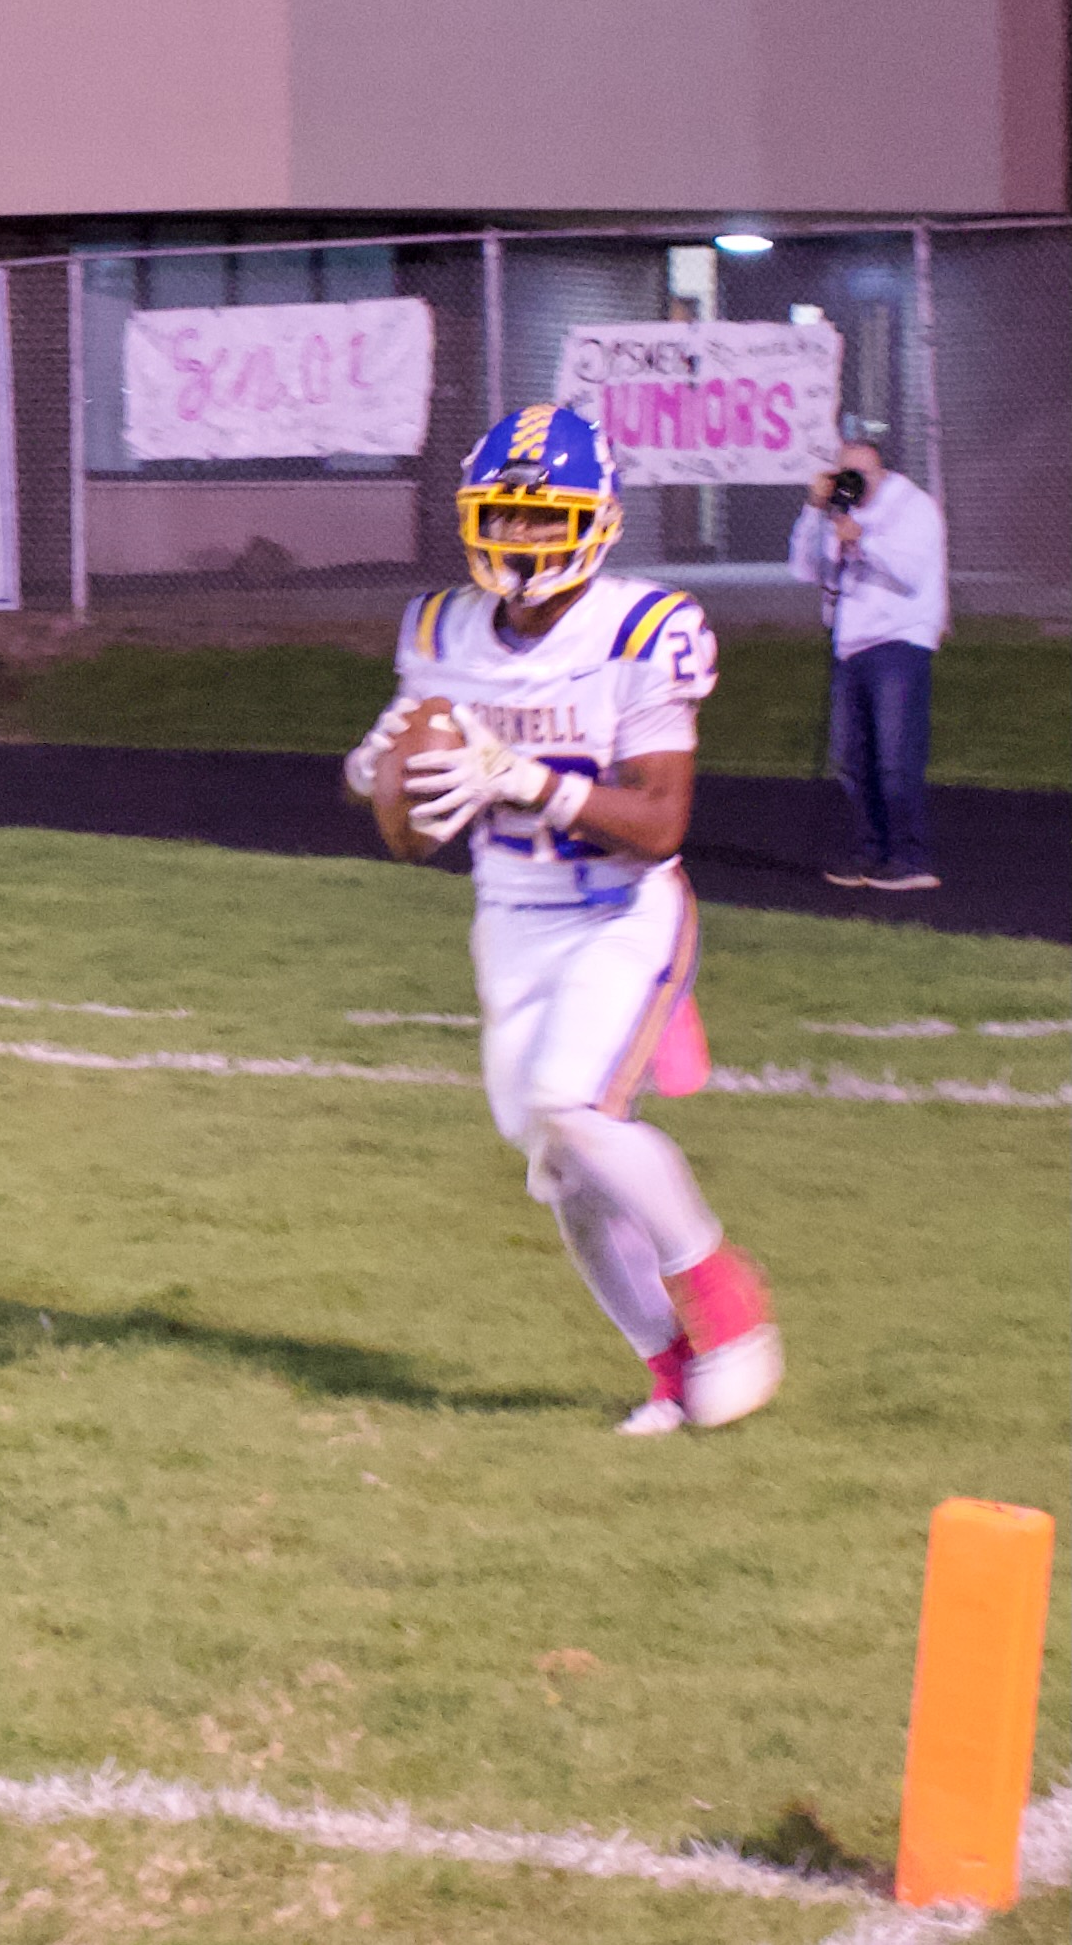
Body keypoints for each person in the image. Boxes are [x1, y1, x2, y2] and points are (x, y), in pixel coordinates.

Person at [344, 404, 782, 1436]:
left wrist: (526, 778)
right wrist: (376, 771)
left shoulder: (642, 628)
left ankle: (726, 1301)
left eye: (549, 516)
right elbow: (413, 820)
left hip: (619, 910)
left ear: (598, 522)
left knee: (570, 1101)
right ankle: (667, 1367)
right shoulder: (438, 630)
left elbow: (661, 824)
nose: (526, 535)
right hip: (510, 915)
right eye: (506, 514)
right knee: (558, 1159)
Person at [787, 440, 948, 890]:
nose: (852, 484)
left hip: (899, 639)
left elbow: (911, 574)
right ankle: (870, 852)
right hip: (850, 644)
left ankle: (909, 859)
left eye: (860, 475)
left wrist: (862, 540)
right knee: (852, 759)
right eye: (844, 474)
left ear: (882, 473)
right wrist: (814, 511)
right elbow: (804, 569)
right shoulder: (838, 513)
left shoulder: (912, 507)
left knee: (895, 756)